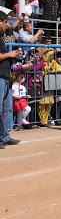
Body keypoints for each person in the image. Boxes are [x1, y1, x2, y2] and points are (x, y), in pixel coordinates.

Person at [0, 11, 22, 148]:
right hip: (0, 77)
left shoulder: (1, 37)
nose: (5, 25)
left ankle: (4, 137)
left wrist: (12, 57)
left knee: (6, 109)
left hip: (5, 76)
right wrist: (9, 54)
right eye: (4, 22)